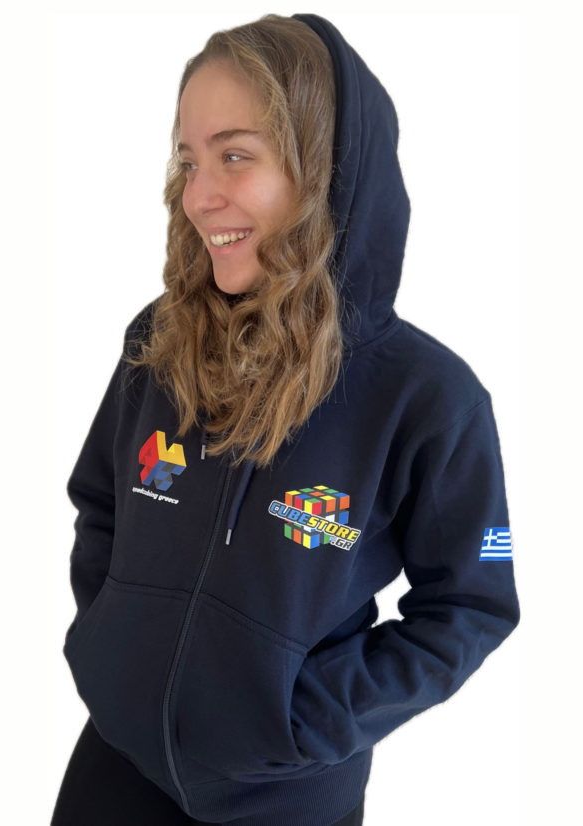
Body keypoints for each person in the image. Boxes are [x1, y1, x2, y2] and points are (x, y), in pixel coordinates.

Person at [51, 12, 520, 826]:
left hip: (288, 800)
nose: (200, 195)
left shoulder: (429, 400)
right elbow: (100, 504)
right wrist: (110, 645)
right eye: (189, 160)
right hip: (116, 768)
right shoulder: (158, 342)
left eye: (235, 155)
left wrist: (306, 722)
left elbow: (473, 603)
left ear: (324, 169)